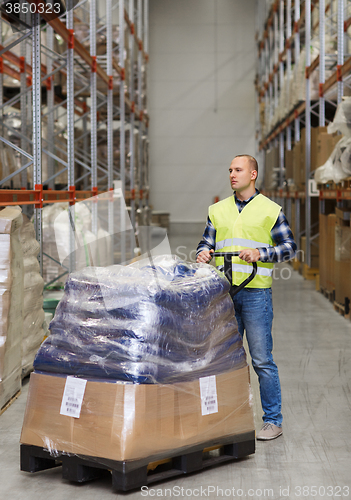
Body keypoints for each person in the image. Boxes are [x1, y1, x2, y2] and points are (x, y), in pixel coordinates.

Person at [196, 154, 296, 441]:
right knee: (223, 361)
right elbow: (207, 241)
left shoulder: (270, 210)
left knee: (262, 360)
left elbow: (289, 247)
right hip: (224, 294)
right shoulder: (217, 209)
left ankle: (273, 421)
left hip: (256, 295)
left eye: (238, 170)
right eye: (229, 170)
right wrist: (202, 252)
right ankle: (227, 421)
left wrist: (261, 253)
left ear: (253, 174)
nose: (232, 174)